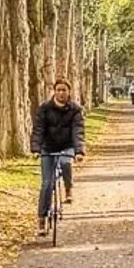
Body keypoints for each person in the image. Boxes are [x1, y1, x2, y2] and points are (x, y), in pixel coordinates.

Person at [30, 79, 86, 236]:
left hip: (66, 147)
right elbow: (38, 130)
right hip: (47, 148)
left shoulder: (76, 110)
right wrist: (36, 149)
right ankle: (42, 218)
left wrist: (79, 151)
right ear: (54, 91)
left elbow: (78, 131)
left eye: (64, 90)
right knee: (47, 184)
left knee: (66, 163)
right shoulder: (44, 109)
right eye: (59, 90)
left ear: (69, 92)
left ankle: (68, 189)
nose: (61, 93)